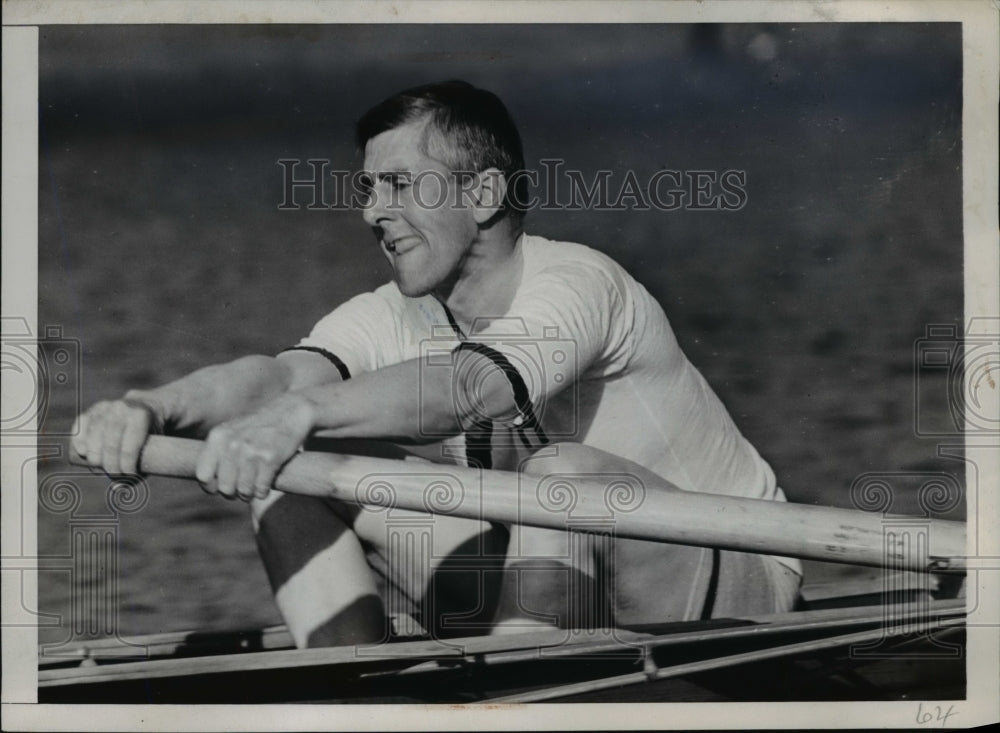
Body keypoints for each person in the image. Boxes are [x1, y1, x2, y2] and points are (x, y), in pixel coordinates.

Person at [73, 80, 801, 648]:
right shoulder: (392, 311)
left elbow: (469, 386)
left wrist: (292, 415)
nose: (369, 213)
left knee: (559, 473)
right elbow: (279, 378)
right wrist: (150, 406)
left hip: (737, 586)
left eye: (396, 185)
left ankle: (521, 685)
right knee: (290, 464)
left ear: (483, 194)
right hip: (554, 579)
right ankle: (354, 691)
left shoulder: (582, 285)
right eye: (368, 189)